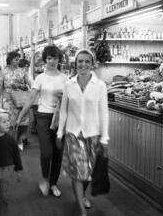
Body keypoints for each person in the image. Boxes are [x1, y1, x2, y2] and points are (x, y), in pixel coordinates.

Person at [56, 49, 109, 216]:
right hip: (73, 134)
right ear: (75, 63)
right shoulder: (68, 84)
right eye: (80, 61)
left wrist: (105, 138)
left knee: (87, 173)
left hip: (93, 134)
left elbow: (104, 112)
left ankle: (82, 195)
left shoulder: (100, 86)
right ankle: (80, 208)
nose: (83, 64)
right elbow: (63, 111)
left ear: (92, 64)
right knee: (78, 173)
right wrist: (59, 133)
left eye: (87, 61)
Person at [16, 45, 68, 197]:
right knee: (46, 152)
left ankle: (53, 183)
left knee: (58, 153)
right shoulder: (40, 78)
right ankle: (45, 178)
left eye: (55, 58)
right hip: (43, 117)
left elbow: (72, 100)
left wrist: (65, 97)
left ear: (59, 59)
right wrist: (21, 116)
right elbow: (31, 97)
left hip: (60, 118)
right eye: (50, 58)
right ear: (45, 60)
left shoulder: (65, 79)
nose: (52, 61)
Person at [0, 51, 31, 151]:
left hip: (21, 100)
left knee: (24, 122)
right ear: (10, 60)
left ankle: (19, 139)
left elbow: (29, 85)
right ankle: (11, 141)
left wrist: (22, 86)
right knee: (9, 122)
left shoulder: (22, 71)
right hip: (8, 101)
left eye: (18, 59)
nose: (18, 61)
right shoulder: (4, 72)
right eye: (16, 59)